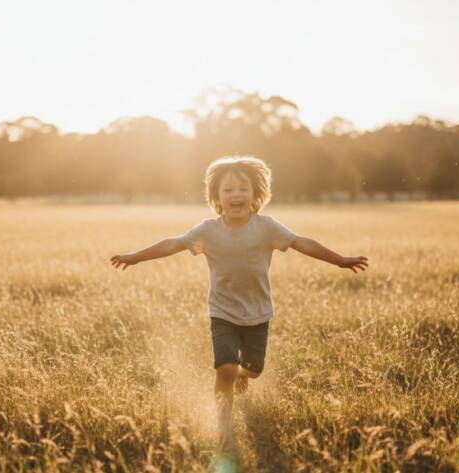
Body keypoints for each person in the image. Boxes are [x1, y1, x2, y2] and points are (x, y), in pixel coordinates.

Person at [109, 155, 369, 449]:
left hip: (258, 313)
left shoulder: (267, 227)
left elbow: (301, 243)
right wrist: (135, 257)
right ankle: (223, 423)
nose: (235, 195)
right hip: (222, 312)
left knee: (253, 369)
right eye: (228, 190)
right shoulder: (208, 231)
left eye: (242, 189)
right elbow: (174, 244)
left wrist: (340, 261)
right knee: (225, 368)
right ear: (216, 197)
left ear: (256, 194)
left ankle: (245, 376)